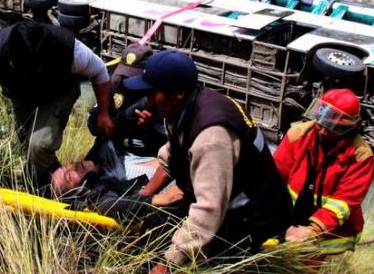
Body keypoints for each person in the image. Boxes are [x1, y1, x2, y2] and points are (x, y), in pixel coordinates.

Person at [124, 50, 292, 273]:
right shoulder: (182, 109)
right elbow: (171, 157)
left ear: (179, 93)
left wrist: (167, 263)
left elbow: (208, 211)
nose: (148, 99)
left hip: (251, 219)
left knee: (190, 263)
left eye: (154, 92)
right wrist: (142, 200)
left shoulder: (211, 138)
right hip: (224, 205)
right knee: (152, 227)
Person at [0, 21, 114, 187]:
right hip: (22, 95)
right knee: (28, 145)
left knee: (39, 145)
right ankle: (66, 185)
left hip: (59, 91)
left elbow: (100, 71)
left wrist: (104, 113)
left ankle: (34, 189)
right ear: (11, 60)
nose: (32, 73)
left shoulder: (71, 50)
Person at [273, 88, 374, 256]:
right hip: (289, 217)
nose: (322, 131)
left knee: (308, 263)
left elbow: (344, 202)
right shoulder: (298, 135)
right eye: (321, 123)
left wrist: (313, 230)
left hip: (323, 229)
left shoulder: (361, 157)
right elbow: (274, 178)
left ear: (349, 128)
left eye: (332, 127)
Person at [50, 138, 183, 220]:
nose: (70, 167)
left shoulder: (101, 157)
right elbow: (111, 205)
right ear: (78, 192)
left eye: (65, 166)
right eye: (67, 176)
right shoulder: (100, 192)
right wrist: (156, 199)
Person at [87, 43, 166, 158]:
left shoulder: (160, 95)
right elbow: (93, 123)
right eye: (125, 72)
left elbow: (171, 144)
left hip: (145, 155)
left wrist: (151, 126)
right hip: (112, 147)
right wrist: (103, 120)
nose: (126, 78)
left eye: (134, 75)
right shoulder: (114, 83)